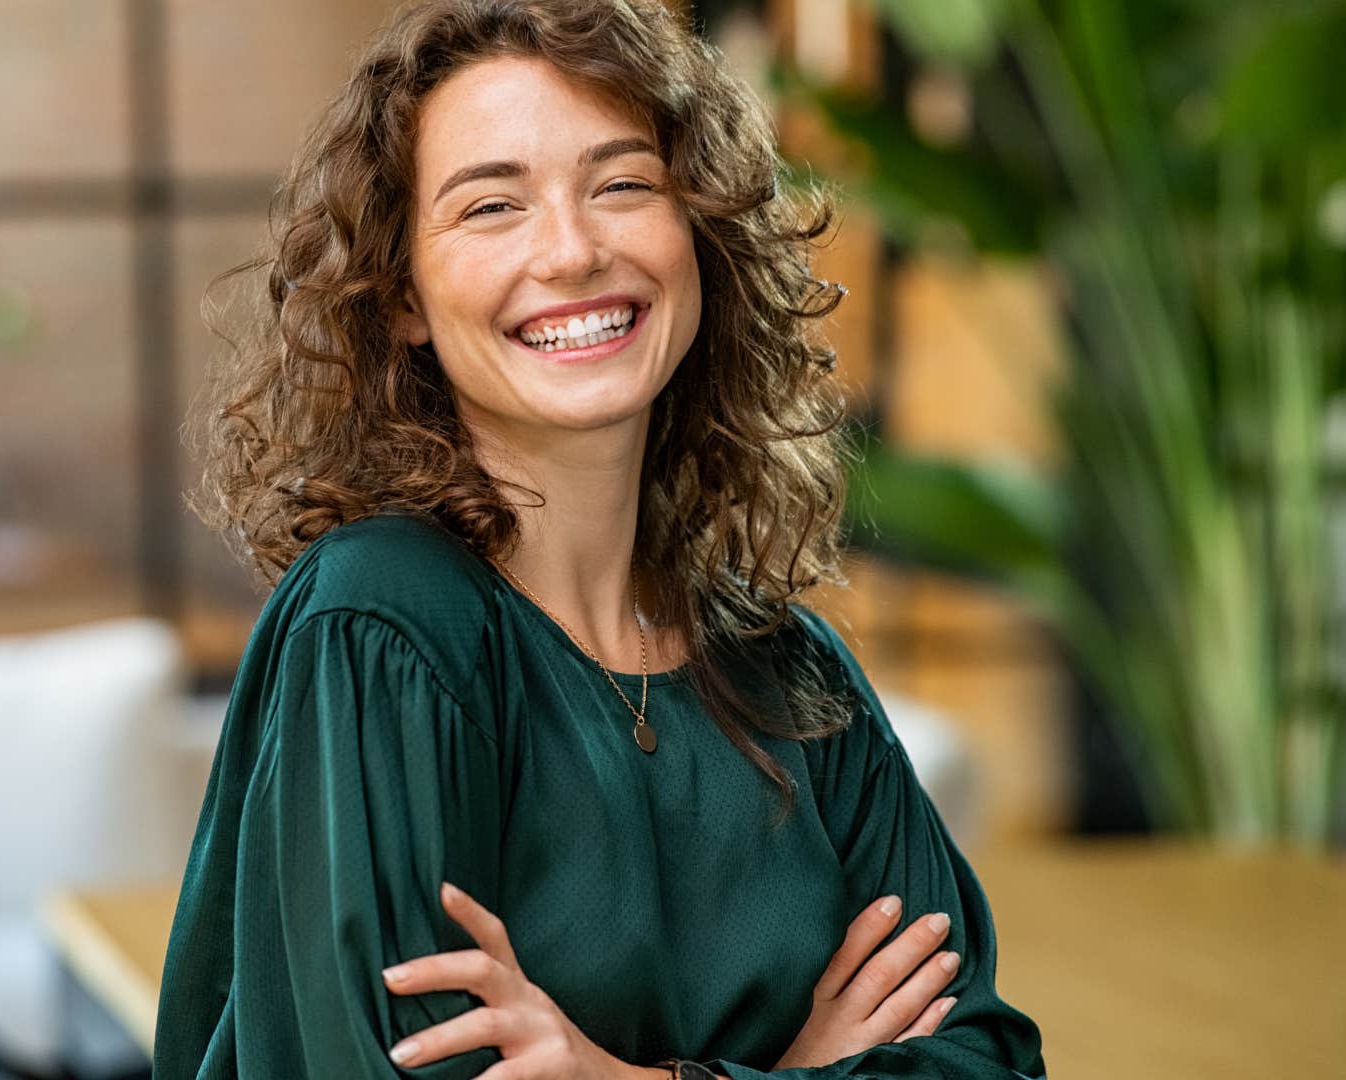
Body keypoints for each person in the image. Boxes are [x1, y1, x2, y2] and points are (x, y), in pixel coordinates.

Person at [154, 1, 1047, 1077]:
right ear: (402, 299)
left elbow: (989, 1060)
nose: (573, 250)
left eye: (622, 184)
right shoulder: (382, 625)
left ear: (699, 236)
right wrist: (801, 1067)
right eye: (492, 207)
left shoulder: (793, 676)